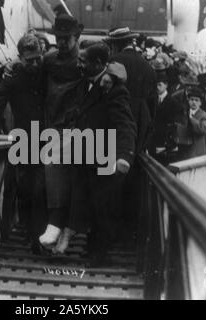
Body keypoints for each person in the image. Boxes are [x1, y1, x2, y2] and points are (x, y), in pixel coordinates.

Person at [54, 43, 137, 266]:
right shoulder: (85, 84)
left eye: (83, 61)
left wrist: (125, 155)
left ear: (99, 64)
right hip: (85, 155)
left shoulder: (114, 88)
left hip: (104, 157)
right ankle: (90, 248)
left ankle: (98, 255)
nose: (79, 64)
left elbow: (125, 123)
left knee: (103, 207)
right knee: (85, 201)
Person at [0, 34, 46, 253]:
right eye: (29, 60)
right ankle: (31, 233)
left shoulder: (48, 70)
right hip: (24, 142)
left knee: (41, 190)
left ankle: (38, 237)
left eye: (38, 58)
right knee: (27, 189)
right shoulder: (13, 80)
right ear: (20, 58)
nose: (35, 64)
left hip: (51, 141)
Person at [37, 14, 84, 248]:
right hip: (53, 125)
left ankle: (66, 228)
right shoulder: (49, 60)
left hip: (78, 128)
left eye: (67, 38)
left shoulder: (84, 61)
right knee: (53, 170)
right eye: (59, 38)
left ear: (77, 37)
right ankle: (56, 224)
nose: (62, 42)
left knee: (75, 178)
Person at [107, 26, 157, 119]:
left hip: (118, 117)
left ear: (116, 44)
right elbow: (153, 101)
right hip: (141, 119)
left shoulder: (114, 61)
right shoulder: (148, 66)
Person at [177, 87, 206, 160]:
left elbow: (202, 129)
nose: (194, 102)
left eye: (196, 100)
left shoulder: (205, 116)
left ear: (200, 103)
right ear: (188, 101)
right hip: (183, 152)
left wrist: (191, 118)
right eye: (192, 99)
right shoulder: (183, 113)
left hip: (196, 153)